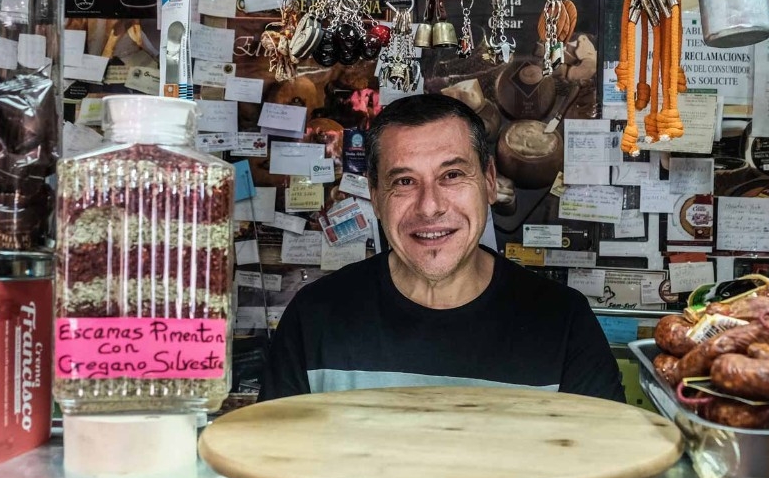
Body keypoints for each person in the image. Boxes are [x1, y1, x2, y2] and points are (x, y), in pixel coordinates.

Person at [261, 93, 626, 402]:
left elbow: (610, 474)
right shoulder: (314, 318)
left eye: (452, 175)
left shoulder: (562, 323)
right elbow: (271, 470)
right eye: (404, 181)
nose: (430, 206)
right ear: (375, 197)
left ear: (488, 182)